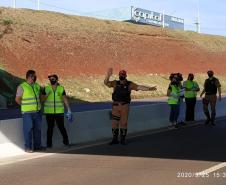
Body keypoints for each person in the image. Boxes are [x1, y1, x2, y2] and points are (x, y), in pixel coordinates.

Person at [104, 68, 157, 145]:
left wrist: (149, 88)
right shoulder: (115, 83)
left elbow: (139, 87)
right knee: (114, 123)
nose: (121, 76)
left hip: (125, 106)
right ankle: (115, 139)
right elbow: (106, 83)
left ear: (125, 76)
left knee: (124, 123)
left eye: (123, 75)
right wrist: (108, 75)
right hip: (115, 106)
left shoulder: (130, 84)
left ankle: (122, 140)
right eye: (120, 75)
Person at [15, 70, 42, 153]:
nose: (35, 78)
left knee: (38, 130)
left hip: (37, 112)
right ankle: (28, 147)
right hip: (27, 113)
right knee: (28, 129)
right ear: (29, 76)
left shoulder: (36, 86)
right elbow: (17, 99)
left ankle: (37, 146)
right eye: (34, 76)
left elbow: (39, 97)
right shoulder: (22, 86)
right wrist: (24, 106)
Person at [42, 74, 71, 148]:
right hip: (49, 112)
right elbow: (42, 100)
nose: (51, 80)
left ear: (57, 80)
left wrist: (69, 109)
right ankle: (49, 145)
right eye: (50, 79)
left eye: (53, 78)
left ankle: (66, 142)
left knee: (61, 127)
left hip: (59, 112)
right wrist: (46, 95)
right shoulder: (46, 88)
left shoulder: (61, 88)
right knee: (50, 129)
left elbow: (65, 99)